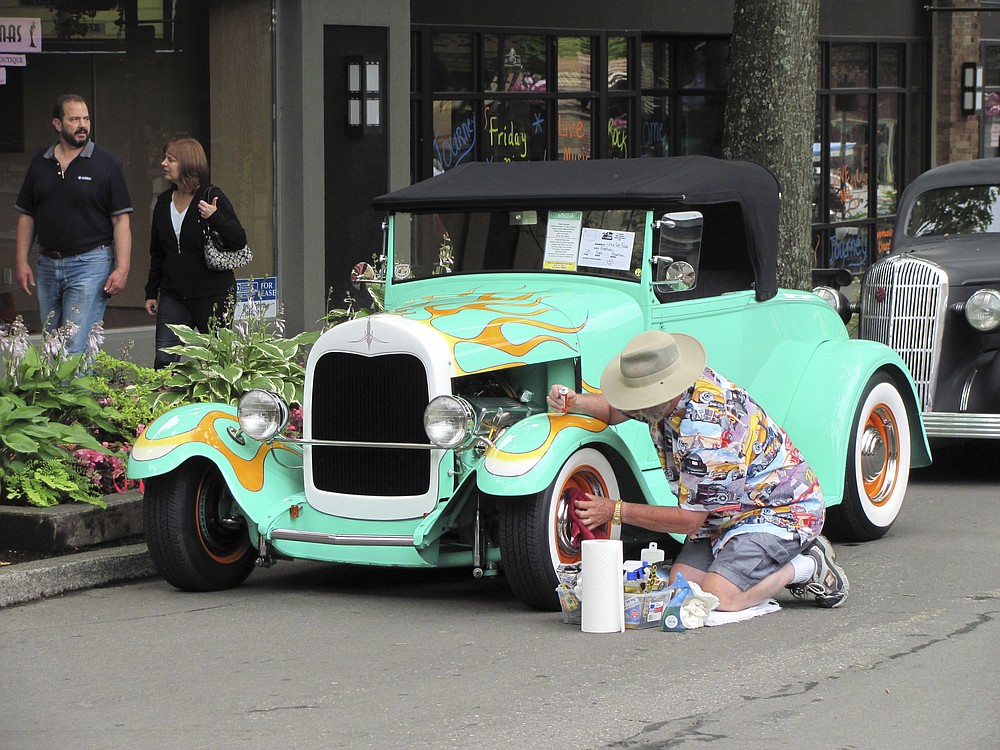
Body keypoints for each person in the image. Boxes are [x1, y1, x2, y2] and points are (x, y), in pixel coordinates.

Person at [547, 330, 849, 611]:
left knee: (718, 596)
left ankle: (808, 564)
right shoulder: (664, 391)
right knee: (682, 590)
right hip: (721, 515)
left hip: (780, 510)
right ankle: (752, 563)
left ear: (666, 390)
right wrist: (576, 402)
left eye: (641, 401)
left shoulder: (706, 430)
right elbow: (615, 410)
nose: (636, 409)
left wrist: (615, 510)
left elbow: (690, 521)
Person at [14, 94, 133, 355]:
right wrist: (22, 261)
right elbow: (27, 215)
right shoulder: (41, 161)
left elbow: (121, 219)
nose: (83, 125)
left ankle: (77, 394)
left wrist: (122, 268)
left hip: (90, 263)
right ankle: (58, 395)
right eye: (75, 119)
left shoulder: (107, 162)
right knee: (51, 342)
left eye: (86, 118)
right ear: (58, 124)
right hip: (47, 264)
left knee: (74, 341)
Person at [144, 136, 246, 369]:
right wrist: (152, 291)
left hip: (213, 295)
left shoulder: (211, 196)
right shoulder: (162, 203)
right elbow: (157, 252)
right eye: (165, 158)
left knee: (218, 362)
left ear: (188, 164)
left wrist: (215, 217)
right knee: (164, 361)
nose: (163, 163)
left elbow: (239, 240)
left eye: (170, 159)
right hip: (173, 296)